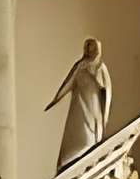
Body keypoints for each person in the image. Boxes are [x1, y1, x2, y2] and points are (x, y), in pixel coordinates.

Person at [46, 38, 112, 169]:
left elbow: (107, 90)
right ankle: (71, 159)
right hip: (80, 106)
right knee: (78, 132)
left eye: (93, 48)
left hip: (94, 107)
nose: (90, 50)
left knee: (92, 135)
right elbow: (68, 83)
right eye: (88, 47)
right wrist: (55, 100)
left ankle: (92, 149)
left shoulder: (100, 67)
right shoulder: (80, 66)